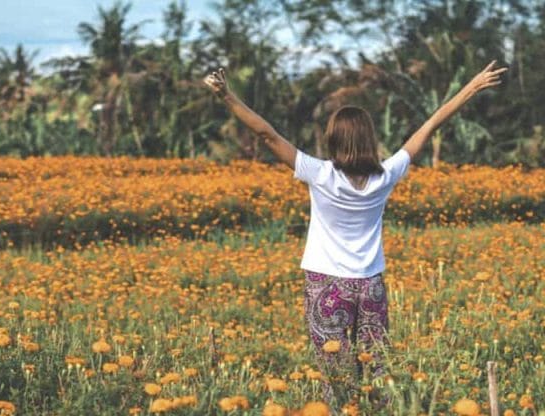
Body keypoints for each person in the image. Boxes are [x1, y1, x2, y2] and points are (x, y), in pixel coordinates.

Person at [203, 61, 507, 409]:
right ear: (369, 139)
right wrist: (472, 86)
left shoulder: (319, 174)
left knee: (336, 379)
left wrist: (227, 97)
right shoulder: (386, 175)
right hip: (371, 286)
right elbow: (431, 123)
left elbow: (267, 134)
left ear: (334, 138)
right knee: (376, 375)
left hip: (327, 285)